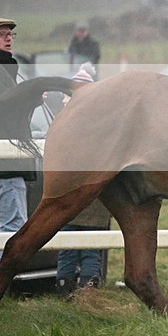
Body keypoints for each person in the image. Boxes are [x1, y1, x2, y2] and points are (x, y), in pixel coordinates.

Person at [55, 65, 111, 294]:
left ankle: (66, 290)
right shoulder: (104, 121)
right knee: (89, 247)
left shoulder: (64, 118)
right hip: (94, 196)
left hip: (70, 195)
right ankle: (87, 291)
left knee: (69, 246)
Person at [0, 18, 32, 276]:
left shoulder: (3, 68)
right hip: (5, 169)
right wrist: (30, 98)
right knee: (14, 232)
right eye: (1, 34)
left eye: (10, 35)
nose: (8, 38)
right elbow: (3, 110)